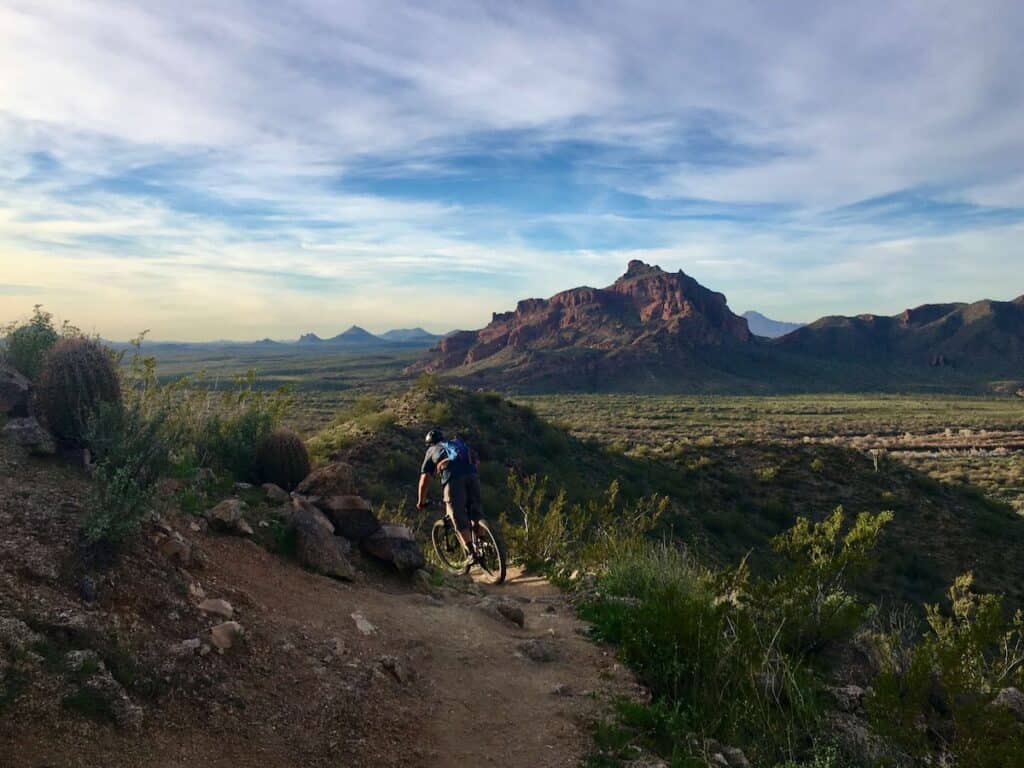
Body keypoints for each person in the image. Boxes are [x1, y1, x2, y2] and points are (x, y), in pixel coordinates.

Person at [416, 428, 482, 559]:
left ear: (429, 443)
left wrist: (421, 501)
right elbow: (477, 461)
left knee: (456, 515)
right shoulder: (456, 443)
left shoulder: (432, 450)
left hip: (453, 479)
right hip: (473, 475)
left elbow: (424, 479)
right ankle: (485, 543)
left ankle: (471, 553)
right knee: (475, 512)